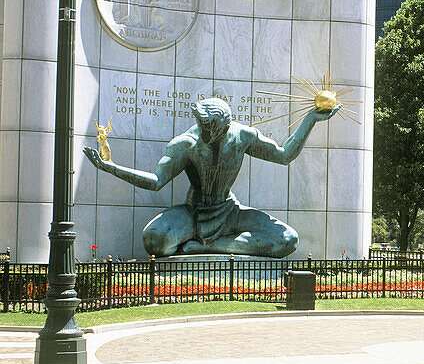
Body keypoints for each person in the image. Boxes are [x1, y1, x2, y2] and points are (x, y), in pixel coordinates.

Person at [84, 96, 339, 258]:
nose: (202, 129)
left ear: (224, 126)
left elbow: (284, 155)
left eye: (209, 126)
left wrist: (310, 120)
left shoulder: (243, 136)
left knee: (288, 240)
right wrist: (111, 167)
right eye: (200, 122)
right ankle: (216, 242)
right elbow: (155, 181)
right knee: (154, 239)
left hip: (230, 212)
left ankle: (210, 246)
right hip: (194, 214)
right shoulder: (186, 143)